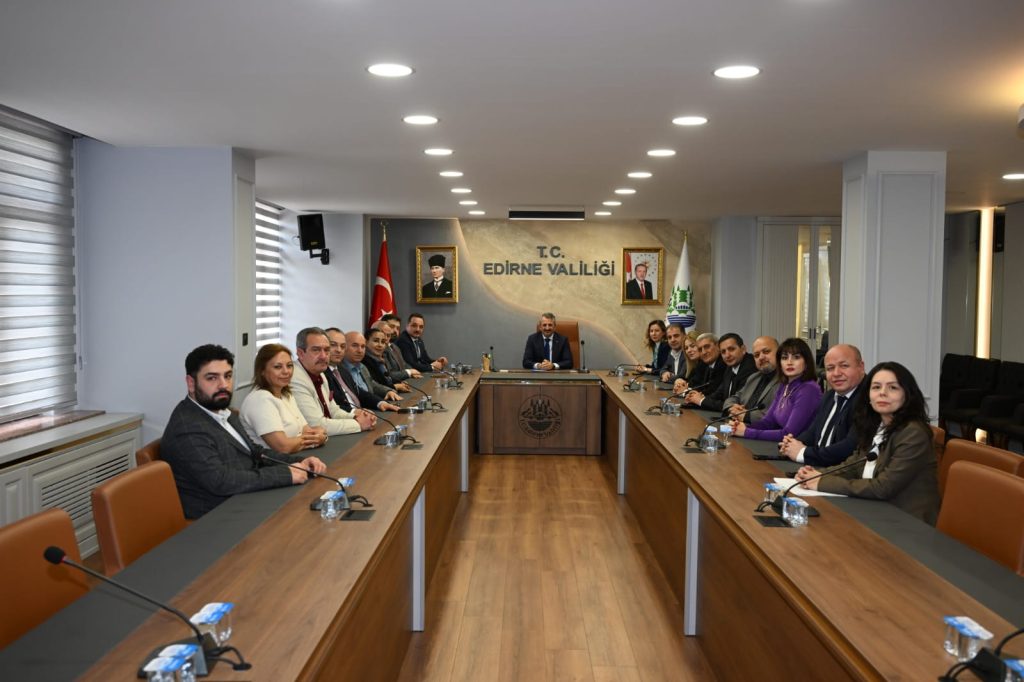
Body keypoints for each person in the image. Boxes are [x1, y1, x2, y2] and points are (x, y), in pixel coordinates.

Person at [161, 344, 326, 519]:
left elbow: (255, 452)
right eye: (212, 378)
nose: (223, 385)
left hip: (245, 499)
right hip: (217, 516)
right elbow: (221, 481)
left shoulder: (226, 413)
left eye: (228, 376)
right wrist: (285, 474)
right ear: (191, 383)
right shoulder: (187, 428)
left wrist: (298, 462)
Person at [795, 362, 940, 524]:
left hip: (906, 522)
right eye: (876, 387)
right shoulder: (875, 426)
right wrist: (816, 475)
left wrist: (823, 482)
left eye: (893, 388)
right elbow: (853, 465)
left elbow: (883, 487)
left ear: (907, 394)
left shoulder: (913, 433)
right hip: (873, 510)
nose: (882, 393)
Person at [780, 344, 867, 466]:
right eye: (830, 368)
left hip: (840, 471)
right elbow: (812, 432)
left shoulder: (868, 399)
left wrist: (803, 453)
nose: (836, 373)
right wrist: (791, 444)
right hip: (815, 466)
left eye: (844, 366)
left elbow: (850, 448)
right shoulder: (829, 396)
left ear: (861, 367)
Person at [240, 344, 328, 453]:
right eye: (278, 367)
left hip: (298, 455)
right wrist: (315, 439)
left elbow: (307, 431)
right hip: (273, 462)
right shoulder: (260, 400)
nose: (286, 371)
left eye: (289, 365)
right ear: (262, 370)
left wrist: (319, 435)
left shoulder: (286, 394)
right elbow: (283, 447)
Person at [731, 337, 822, 441]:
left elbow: (789, 434)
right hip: (779, 445)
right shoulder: (785, 385)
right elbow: (768, 422)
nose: (789, 362)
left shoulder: (809, 389)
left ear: (806, 362)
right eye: (784, 358)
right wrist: (742, 427)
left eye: (796, 357)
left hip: (797, 447)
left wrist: (747, 432)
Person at [290, 327, 376, 435]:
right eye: (316, 350)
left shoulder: (320, 374)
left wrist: (356, 416)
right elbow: (316, 425)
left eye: (327, 350)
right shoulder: (295, 379)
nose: (323, 356)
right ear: (300, 353)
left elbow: (333, 411)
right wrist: (358, 424)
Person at [323, 328, 399, 412]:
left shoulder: (342, 370)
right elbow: (331, 408)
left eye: (342, 346)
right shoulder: (321, 374)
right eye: (333, 345)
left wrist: (380, 403)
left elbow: (359, 392)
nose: (339, 350)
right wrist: (355, 413)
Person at [682, 333, 756, 410]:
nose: (727, 355)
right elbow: (719, 394)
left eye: (731, 349)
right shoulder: (730, 367)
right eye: (723, 351)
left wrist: (701, 400)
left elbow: (735, 405)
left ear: (743, 349)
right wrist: (695, 399)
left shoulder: (749, 368)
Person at [722, 336, 781, 424]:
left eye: (766, 351)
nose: (761, 357)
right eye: (756, 355)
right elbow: (735, 397)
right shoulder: (753, 377)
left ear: (779, 353)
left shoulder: (786, 380)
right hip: (739, 426)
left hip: (762, 430)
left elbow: (780, 415)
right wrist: (732, 407)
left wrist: (746, 415)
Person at [343, 330, 402, 409]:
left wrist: (387, 391)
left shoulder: (362, 367)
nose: (360, 350)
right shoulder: (340, 370)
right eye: (354, 346)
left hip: (371, 406)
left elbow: (372, 384)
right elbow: (358, 393)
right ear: (344, 347)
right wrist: (379, 402)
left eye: (363, 346)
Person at [364, 327, 411, 392]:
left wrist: (398, 383)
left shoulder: (380, 360)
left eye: (383, 342)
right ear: (366, 342)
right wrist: (395, 386)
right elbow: (374, 387)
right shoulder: (365, 361)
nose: (380, 345)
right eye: (376, 341)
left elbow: (385, 381)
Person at [379, 314, 422, 380]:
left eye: (398, 328)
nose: (395, 331)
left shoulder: (395, 347)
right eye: (392, 326)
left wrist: (413, 371)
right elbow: (389, 375)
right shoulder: (381, 349)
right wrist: (409, 372)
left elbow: (404, 364)